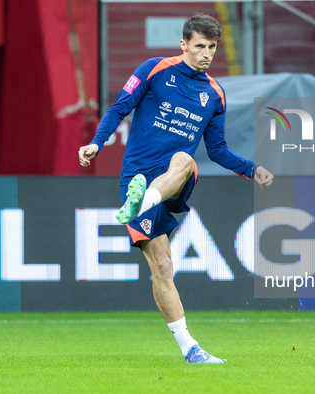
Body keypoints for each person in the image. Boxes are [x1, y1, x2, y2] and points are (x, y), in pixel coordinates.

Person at [78, 13, 273, 363]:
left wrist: (252, 169)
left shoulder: (213, 94)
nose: (207, 53)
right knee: (164, 267)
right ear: (184, 44)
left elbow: (217, 150)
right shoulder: (154, 70)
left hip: (175, 179)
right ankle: (190, 348)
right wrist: (97, 142)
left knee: (185, 158)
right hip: (137, 176)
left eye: (212, 47)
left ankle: (143, 202)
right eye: (200, 46)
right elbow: (119, 108)